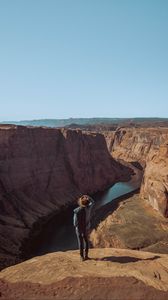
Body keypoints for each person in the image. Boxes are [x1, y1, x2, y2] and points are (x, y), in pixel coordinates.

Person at [73, 195, 94, 261]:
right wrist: (88, 197)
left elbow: (75, 223)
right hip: (86, 228)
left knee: (80, 242)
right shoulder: (88, 208)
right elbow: (93, 202)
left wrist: (77, 227)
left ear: (81, 203)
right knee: (86, 241)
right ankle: (86, 256)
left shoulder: (77, 211)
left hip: (79, 229)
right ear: (87, 203)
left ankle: (81, 257)